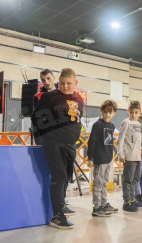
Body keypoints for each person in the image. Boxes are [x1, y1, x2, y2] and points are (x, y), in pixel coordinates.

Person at [31, 68, 84, 229]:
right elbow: (36, 118)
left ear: (76, 83)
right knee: (59, 176)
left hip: (70, 145)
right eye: (62, 83)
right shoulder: (50, 97)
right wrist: (48, 135)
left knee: (66, 177)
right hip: (54, 143)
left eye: (69, 83)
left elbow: (76, 119)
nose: (65, 86)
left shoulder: (78, 99)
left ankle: (61, 205)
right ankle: (57, 216)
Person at [87, 100, 119, 217]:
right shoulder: (97, 125)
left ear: (114, 113)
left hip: (108, 159)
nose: (107, 115)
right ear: (101, 111)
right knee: (98, 183)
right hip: (99, 159)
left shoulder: (111, 125)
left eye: (110, 112)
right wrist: (90, 157)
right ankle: (97, 207)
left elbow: (109, 142)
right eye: (105, 112)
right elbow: (92, 142)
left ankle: (104, 203)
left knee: (104, 183)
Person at [117, 101, 142, 212]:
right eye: (131, 112)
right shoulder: (126, 122)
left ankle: (132, 199)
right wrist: (120, 154)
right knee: (128, 180)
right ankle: (127, 201)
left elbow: (138, 139)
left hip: (137, 156)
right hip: (129, 156)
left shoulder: (138, 124)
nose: (133, 115)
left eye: (136, 112)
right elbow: (120, 140)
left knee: (135, 179)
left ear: (140, 113)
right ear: (128, 111)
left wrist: (141, 149)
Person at [32, 69, 58, 146]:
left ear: (54, 78)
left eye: (48, 78)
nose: (46, 82)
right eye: (43, 80)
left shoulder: (62, 94)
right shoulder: (38, 96)